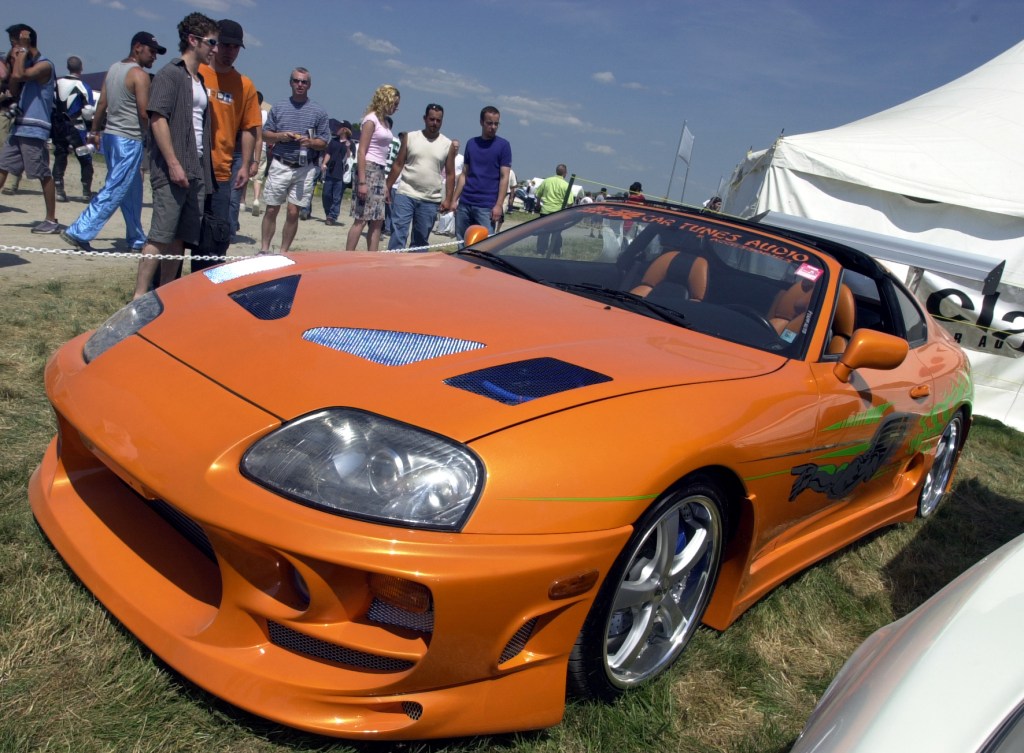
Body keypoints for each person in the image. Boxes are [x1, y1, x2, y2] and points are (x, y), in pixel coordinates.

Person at [132, 13, 219, 299]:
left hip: (195, 167)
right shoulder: (171, 73)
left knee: (180, 237)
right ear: (193, 41)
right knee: (160, 234)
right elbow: (157, 118)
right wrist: (172, 164)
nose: (215, 49)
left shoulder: (199, 80)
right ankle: (139, 296)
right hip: (173, 167)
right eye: (211, 42)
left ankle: (165, 296)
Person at [60, 32, 164, 253]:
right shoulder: (140, 75)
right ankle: (79, 230)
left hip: (112, 136)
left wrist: (95, 130)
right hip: (129, 138)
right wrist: (155, 138)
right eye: (152, 51)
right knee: (116, 187)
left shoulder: (114, 69)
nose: (154, 57)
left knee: (132, 188)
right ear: (138, 47)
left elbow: (102, 104)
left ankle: (136, 238)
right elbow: (145, 113)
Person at [194, 18, 260, 267]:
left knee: (216, 236)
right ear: (214, 44)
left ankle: (206, 289)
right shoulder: (196, 72)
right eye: (226, 45)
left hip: (222, 170)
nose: (230, 52)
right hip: (192, 166)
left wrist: (245, 165)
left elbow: (248, 128)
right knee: (182, 234)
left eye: (235, 47)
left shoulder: (244, 85)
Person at [257, 67, 330, 254]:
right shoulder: (279, 107)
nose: (300, 85)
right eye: (296, 81)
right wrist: (281, 136)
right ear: (290, 82)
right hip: (281, 163)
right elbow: (265, 135)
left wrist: (311, 142)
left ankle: (283, 252)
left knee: (293, 212)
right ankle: (265, 249)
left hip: (305, 167)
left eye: (304, 82)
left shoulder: (318, 112)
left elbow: (324, 141)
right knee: (272, 209)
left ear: (309, 85)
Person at [0, 24, 60, 233]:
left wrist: (22, 51)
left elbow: (19, 76)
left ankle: (51, 220)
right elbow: (12, 85)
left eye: (14, 43)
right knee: (2, 166)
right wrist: (15, 57)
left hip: (35, 128)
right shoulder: (25, 62)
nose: (12, 48)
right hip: (20, 126)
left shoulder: (45, 66)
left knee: (42, 173)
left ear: (24, 40)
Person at [386, 103, 456, 251]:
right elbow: (398, 164)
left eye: (438, 120)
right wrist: (387, 186)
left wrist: (449, 199)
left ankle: (414, 271)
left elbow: (450, 174)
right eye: (431, 119)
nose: (434, 123)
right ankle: (392, 268)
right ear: (425, 119)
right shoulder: (410, 137)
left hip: (430, 199)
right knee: (398, 234)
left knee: (420, 240)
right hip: (406, 192)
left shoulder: (447, 144)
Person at [345, 84, 400, 251]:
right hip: (368, 169)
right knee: (361, 218)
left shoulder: (384, 122)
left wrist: (384, 184)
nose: (396, 107)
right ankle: (347, 256)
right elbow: (361, 151)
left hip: (380, 171)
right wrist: (362, 182)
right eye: (394, 103)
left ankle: (372, 259)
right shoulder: (371, 120)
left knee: (377, 220)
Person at [452, 105, 511, 239]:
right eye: (489, 123)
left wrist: (499, 205)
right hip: (465, 203)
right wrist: (454, 199)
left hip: (486, 206)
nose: (493, 127)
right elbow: (464, 174)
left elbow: (504, 177)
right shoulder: (471, 143)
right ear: (481, 122)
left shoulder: (503, 146)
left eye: (496, 123)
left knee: (485, 245)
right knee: (461, 242)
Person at [52, 55, 94, 203]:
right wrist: (90, 126)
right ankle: (86, 192)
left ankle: (59, 190)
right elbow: (88, 111)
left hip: (59, 127)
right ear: (81, 68)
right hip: (77, 128)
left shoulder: (56, 84)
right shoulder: (84, 87)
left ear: (68, 67)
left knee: (60, 155)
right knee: (85, 158)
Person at [534, 163, 570, 255]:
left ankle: (540, 251)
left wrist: (538, 204)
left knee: (543, 232)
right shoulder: (566, 185)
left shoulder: (547, 181)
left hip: (545, 211)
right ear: (565, 173)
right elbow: (570, 202)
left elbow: (538, 194)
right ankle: (556, 251)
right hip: (558, 213)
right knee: (557, 233)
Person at [321, 119, 351, 226]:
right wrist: (324, 163)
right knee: (326, 194)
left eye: (340, 127)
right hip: (330, 171)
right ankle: (328, 212)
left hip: (341, 174)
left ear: (344, 130)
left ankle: (332, 216)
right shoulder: (333, 141)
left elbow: (349, 157)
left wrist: (347, 147)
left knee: (337, 197)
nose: (337, 129)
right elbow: (328, 153)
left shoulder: (350, 143)